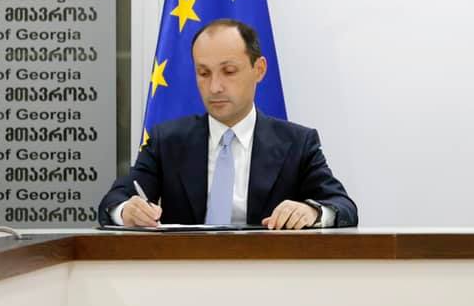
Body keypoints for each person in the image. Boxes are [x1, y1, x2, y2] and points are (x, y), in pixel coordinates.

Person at [98, 19, 358, 229]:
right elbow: (114, 201)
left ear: (259, 69)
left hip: (268, 270)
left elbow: (343, 206)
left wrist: (312, 211)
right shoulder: (167, 141)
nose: (215, 87)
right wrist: (126, 211)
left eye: (229, 71)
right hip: (185, 269)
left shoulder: (297, 143)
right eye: (203, 73)